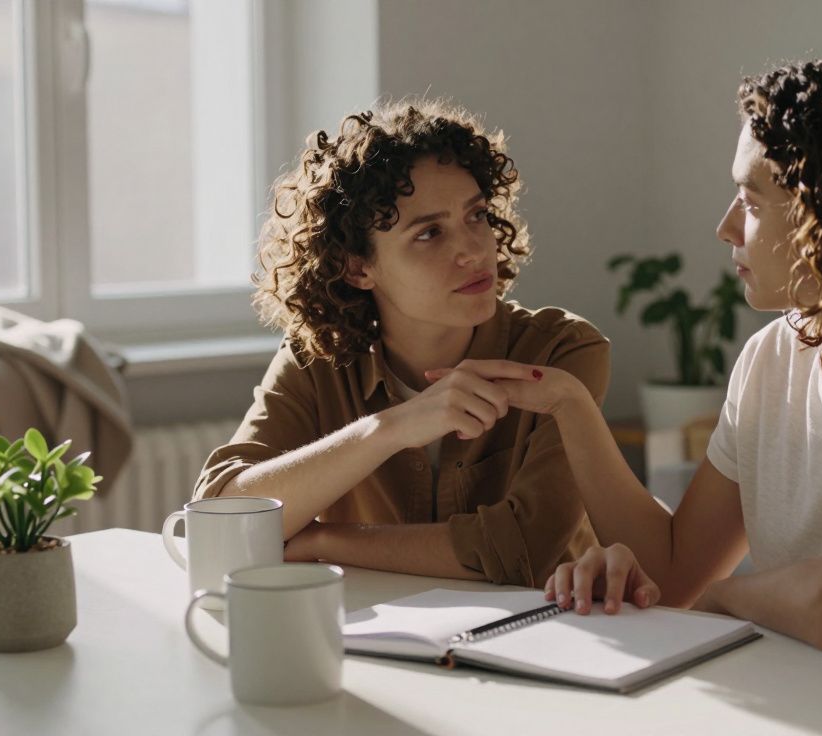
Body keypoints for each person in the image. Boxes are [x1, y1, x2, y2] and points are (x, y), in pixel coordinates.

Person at [450, 49, 822, 653]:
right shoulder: (775, 355)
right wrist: (569, 404)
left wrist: (725, 600)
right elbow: (675, 574)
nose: (726, 227)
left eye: (750, 200)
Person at [194, 99, 607, 587]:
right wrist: (388, 429)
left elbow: (524, 553)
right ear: (358, 267)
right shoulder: (316, 359)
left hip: (543, 637)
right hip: (380, 637)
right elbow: (222, 517)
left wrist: (326, 541)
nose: (475, 249)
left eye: (476, 216)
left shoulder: (562, 353)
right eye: (430, 232)